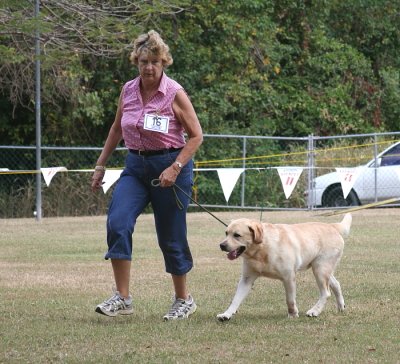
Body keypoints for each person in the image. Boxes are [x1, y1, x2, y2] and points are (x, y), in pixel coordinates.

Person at [91, 30, 203, 321]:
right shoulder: (127, 90)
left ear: (164, 62)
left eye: (155, 61)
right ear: (136, 62)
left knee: (170, 236)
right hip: (135, 167)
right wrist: (101, 165)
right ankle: (123, 298)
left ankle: (183, 299)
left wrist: (175, 167)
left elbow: (196, 136)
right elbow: (117, 129)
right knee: (118, 222)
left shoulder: (174, 93)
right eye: (144, 61)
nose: (149, 67)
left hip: (170, 166)